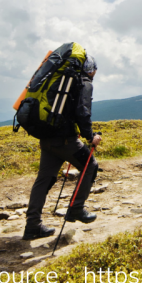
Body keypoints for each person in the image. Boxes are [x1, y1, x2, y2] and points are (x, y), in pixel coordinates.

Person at [23, 55, 102, 240]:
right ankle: (76, 208)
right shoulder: (83, 82)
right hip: (66, 140)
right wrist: (91, 136)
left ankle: (32, 225)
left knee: (44, 179)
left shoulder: (60, 79)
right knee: (90, 165)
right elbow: (83, 111)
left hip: (47, 137)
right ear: (91, 69)